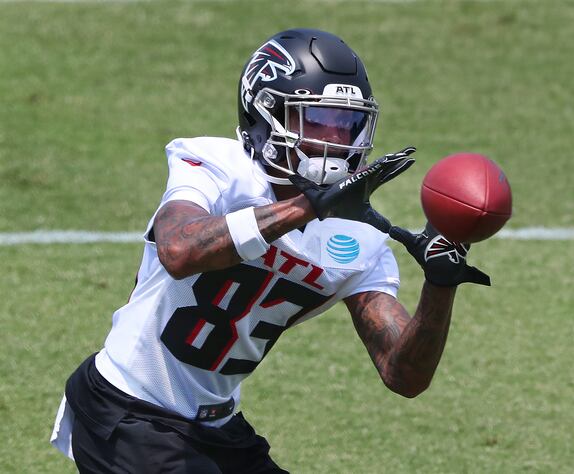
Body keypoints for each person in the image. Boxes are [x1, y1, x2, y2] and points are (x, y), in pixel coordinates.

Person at [51, 28, 490, 473]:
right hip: (129, 410)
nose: (335, 140)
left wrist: (440, 284)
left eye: (347, 124)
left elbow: (404, 375)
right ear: (264, 113)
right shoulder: (219, 167)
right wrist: (308, 207)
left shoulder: (363, 242)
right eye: (317, 120)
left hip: (216, 425)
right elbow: (179, 249)